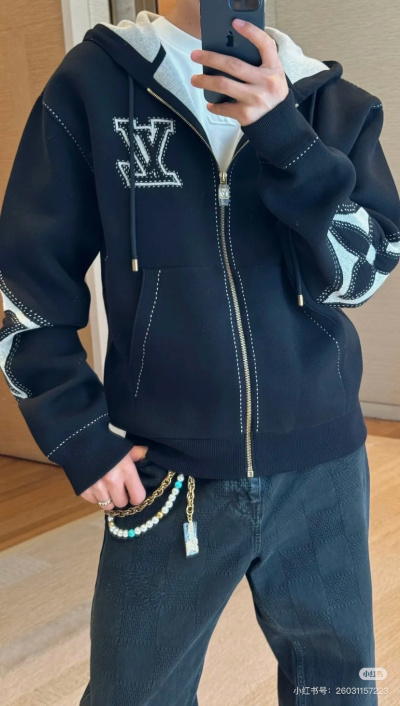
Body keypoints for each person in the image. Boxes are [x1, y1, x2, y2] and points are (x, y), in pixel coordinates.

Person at [0, 1, 399, 703]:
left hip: (322, 470)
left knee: (338, 689)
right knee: (133, 692)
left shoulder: (333, 103)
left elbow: (360, 278)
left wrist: (286, 137)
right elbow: (26, 280)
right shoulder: (93, 85)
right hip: (165, 477)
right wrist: (75, 430)